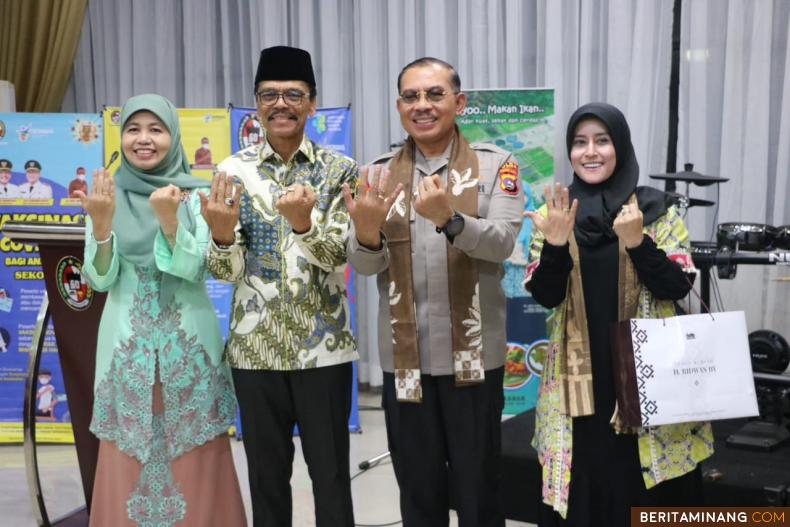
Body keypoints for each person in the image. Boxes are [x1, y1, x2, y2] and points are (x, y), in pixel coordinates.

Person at [345, 57, 524, 527]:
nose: (422, 105)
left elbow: (504, 243)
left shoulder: (496, 164)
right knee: (418, 490)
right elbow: (364, 267)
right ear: (399, 105)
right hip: (406, 361)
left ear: (459, 102)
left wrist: (452, 220)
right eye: (411, 96)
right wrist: (365, 235)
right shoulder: (377, 174)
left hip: (474, 362)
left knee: (478, 487)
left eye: (434, 94)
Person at [524, 102, 713, 526]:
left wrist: (638, 242)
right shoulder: (555, 211)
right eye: (579, 142)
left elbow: (679, 285)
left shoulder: (657, 209)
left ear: (621, 147)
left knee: (644, 485)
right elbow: (546, 296)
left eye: (602, 141)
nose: (590, 152)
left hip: (647, 379)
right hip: (579, 385)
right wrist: (555, 244)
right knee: (584, 484)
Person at [202, 46, 358, 527]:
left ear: (313, 103)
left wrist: (304, 224)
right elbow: (223, 273)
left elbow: (339, 256)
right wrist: (224, 236)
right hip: (255, 352)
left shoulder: (339, 170)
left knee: (330, 475)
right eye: (269, 95)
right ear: (256, 106)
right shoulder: (232, 172)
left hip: (323, 351)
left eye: (294, 94)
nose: (281, 104)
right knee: (266, 479)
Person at [77, 94, 245, 527]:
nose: (144, 139)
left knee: (196, 460)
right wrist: (100, 225)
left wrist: (170, 221)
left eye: (156, 129)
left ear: (174, 136)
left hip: (186, 353)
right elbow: (98, 280)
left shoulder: (198, 196)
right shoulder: (106, 196)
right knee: (126, 460)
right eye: (133, 129)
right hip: (126, 354)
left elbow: (194, 270)